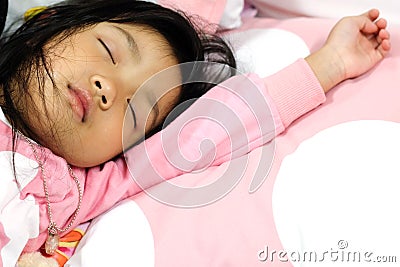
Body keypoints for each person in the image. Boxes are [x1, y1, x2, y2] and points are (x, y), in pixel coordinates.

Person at [0, 0, 391, 265]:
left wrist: (329, 65)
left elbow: (209, 130)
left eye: (136, 112)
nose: (108, 89)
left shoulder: (76, 194)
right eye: (109, 50)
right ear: (48, 23)